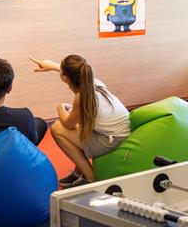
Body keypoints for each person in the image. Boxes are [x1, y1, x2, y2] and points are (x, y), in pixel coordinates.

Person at [30, 54, 131, 187]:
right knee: (79, 122)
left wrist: (60, 107)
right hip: (122, 131)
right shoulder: (93, 82)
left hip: (111, 140)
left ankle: (90, 178)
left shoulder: (81, 97)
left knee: (57, 129)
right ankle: (79, 172)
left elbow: (67, 123)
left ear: (65, 78)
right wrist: (53, 66)